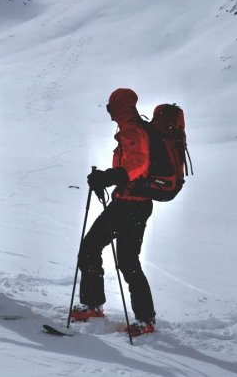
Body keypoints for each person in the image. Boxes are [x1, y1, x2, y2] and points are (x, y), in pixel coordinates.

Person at [70, 88, 156, 336]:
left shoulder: (132, 127)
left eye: (110, 107)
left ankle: (144, 319)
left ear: (119, 106)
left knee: (125, 260)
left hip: (134, 205)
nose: (108, 111)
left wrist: (110, 176)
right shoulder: (130, 126)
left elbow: (139, 162)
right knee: (92, 249)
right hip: (126, 201)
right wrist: (109, 179)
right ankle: (94, 305)